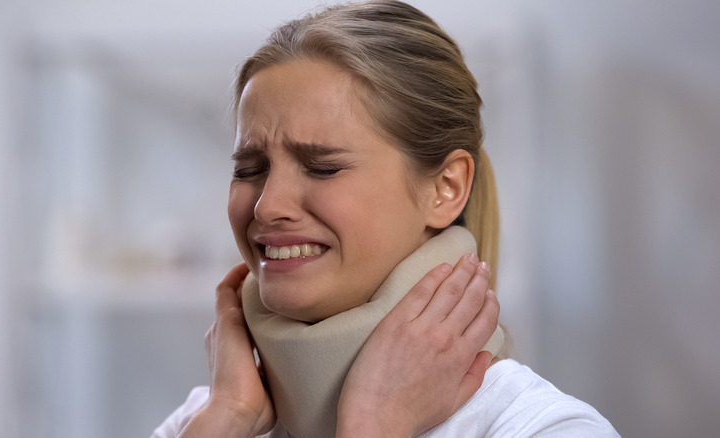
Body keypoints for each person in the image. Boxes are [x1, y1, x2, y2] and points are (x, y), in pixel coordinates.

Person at [153, 1, 619, 437]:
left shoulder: (546, 429)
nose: (266, 206)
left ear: (446, 189)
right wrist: (229, 415)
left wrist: (373, 423)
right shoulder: (205, 420)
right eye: (249, 170)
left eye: (323, 167)